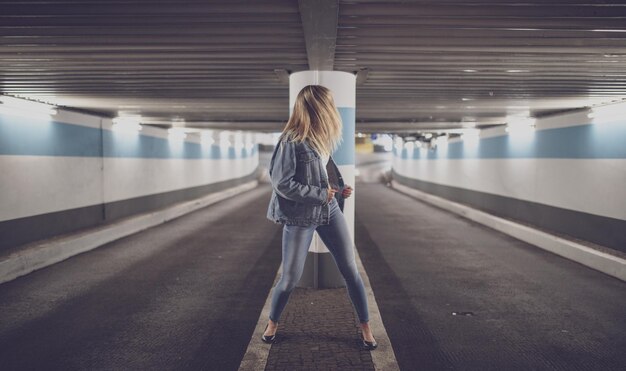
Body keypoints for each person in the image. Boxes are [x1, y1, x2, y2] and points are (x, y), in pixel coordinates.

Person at [263, 84, 377, 350]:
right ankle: (272, 324)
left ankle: (365, 328)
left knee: (351, 270)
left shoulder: (320, 137)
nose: (333, 109)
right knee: (290, 278)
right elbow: (282, 183)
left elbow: (322, 172)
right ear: (317, 107)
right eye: (329, 104)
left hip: (329, 209)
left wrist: (339, 188)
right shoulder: (291, 140)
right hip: (301, 216)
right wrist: (319, 194)